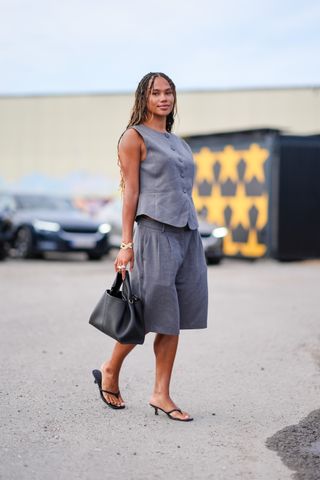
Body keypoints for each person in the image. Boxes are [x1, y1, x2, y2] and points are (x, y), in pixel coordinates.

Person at [92, 72, 208, 422]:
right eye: (156, 92)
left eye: (168, 92)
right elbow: (131, 192)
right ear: (144, 97)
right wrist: (126, 244)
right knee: (147, 313)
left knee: (174, 318)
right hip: (155, 232)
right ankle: (110, 369)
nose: (163, 98)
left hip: (187, 233)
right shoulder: (134, 137)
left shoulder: (177, 141)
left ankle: (160, 393)